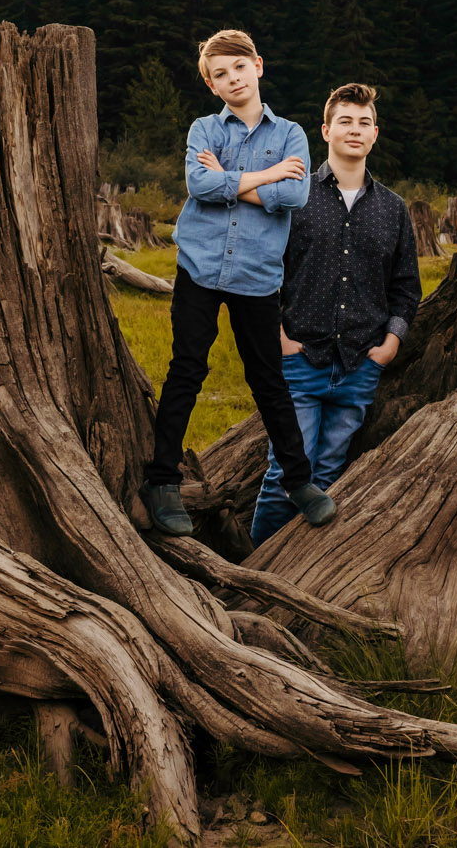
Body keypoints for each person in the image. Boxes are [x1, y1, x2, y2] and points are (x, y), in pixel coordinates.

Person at [140, 29, 338, 536]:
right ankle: (162, 481)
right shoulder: (204, 129)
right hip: (200, 269)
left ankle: (298, 480)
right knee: (187, 368)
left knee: (269, 382)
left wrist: (236, 180)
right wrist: (268, 177)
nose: (232, 79)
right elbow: (198, 185)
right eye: (220, 75)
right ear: (211, 84)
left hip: (256, 277)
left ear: (258, 66)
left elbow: (295, 197)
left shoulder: (291, 133)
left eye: (239, 68)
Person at [251, 82, 421, 546]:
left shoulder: (393, 209)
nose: (355, 129)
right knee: (286, 475)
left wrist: (390, 346)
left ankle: (300, 580)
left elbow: (407, 287)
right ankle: (249, 576)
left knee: (328, 478)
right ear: (325, 130)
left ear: (375, 134)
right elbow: (262, 272)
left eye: (364, 122)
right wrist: (279, 338)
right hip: (299, 359)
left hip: (358, 367)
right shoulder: (294, 198)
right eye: (345, 120)